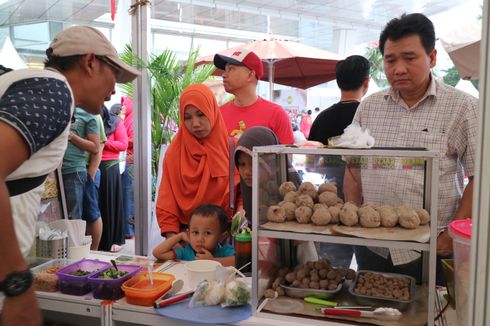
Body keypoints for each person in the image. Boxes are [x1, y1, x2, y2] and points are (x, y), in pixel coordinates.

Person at [0, 26, 138, 326]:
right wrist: (16, 284)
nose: (114, 90)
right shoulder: (54, 92)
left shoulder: (36, 87)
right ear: (90, 63)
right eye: (113, 75)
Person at [345, 13, 477, 283]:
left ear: (431, 58)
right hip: (373, 246)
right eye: (390, 60)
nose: (399, 68)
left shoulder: (463, 108)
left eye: (410, 57)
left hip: (433, 248)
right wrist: (351, 215)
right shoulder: (369, 107)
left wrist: (450, 235)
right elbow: (352, 166)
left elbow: (480, 178)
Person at [156, 84, 242, 240]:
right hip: (186, 241)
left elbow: (242, 192)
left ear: (212, 111)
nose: (195, 123)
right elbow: (166, 203)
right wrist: (175, 242)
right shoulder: (174, 153)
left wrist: (241, 215)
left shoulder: (233, 149)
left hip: (225, 241)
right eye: (187, 117)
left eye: (201, 114)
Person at [308, 54, 370, 268]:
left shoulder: (323, 118)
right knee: (367, 265)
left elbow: (310, 163)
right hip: (366, 203)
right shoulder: (369, 117)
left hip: (330, 201)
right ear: (366, 83)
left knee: (333, 268)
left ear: (338, 82)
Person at [213, 49, 294, 144]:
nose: (223, 75)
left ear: (250, 75)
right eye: (225, 70)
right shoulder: (218, 114)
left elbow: (286, 156)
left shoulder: (276, 114)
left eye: (230, 69)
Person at [153, 204, 235, 266]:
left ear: (222, 237)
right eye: (195, 232)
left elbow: (239, 262)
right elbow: (157, 253)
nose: (200, 239)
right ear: (189, 233)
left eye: (207, 233)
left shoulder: (224, 251)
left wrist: (212, 260)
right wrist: (180, 236)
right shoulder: (186, 252)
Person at [61, 108, 100, 221]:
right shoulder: (58, 108)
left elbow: (96, 147)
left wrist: (71, 136)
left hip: (73, 172)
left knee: (73, 218)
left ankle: (75, 239)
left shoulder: (88, 114)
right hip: (51, 173)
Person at [99, 104, 128, 252]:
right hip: (94, 165)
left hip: (110, 167)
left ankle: (111, 240)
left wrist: (104, 143)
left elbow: (123, 144)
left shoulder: (116, 123)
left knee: (109, 204)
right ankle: (100, 240)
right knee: (100, 206)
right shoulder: (94, 122)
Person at [83, 113, 106, 250]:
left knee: (92, 213)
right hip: (71, 172)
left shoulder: (93, 116)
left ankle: (93, 251)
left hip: (87, 172)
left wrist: (91, 174)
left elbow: (100, 147)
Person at [121, 96, 135, 239]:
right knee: (127, 198)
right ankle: (128, 230)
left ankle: (130, 231)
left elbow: (136, 139)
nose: (123, 107)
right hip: (126, 162)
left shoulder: (133, 120)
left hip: (132, 162)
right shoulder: (127, 120)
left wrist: (121, 138)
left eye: (124, 104)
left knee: (130, 199)